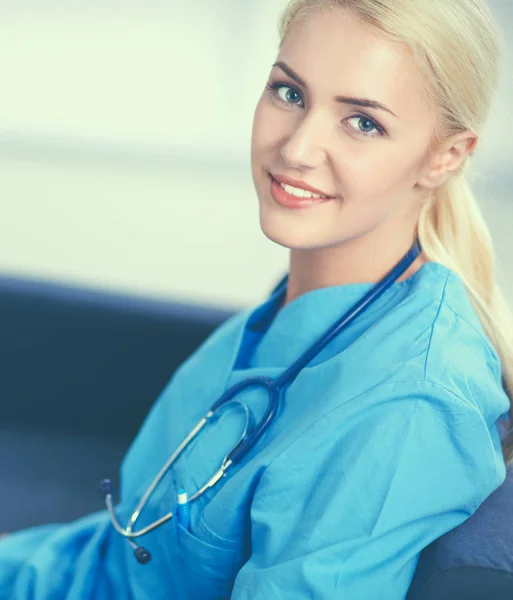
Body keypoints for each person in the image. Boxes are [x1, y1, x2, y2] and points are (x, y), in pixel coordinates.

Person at [1, 0, 513, 598]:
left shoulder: (410, 405)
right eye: (290, 93)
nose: (296, 149)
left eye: (363, 122)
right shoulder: (328, 296)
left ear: (445, 156)